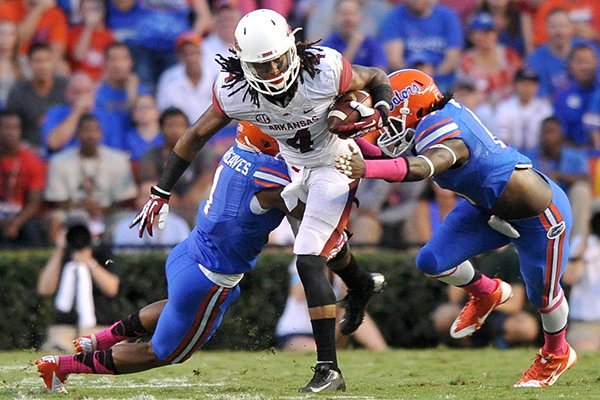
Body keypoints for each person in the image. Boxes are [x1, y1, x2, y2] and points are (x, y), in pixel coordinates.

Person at [128, 8, 392, 393]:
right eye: (261, 67)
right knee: (318, 239)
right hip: (293, 166)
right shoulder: (234, 90)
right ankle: (361, 282)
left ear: (292, 49)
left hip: (335, 162)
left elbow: (378, 78)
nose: (273, 73)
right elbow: (194, 136)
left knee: (308, 256)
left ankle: (328, 369)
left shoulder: (324, 68)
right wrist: (161, 190)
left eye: (279, 62)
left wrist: (381, 106)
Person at [35, 121, 380, 393]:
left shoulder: (236, 153)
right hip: (211, 279)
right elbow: (307, 211)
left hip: (187, 253)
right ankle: (63, 366)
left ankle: (102, 337)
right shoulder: (273, 176)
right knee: (164, 352)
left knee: (175, 308)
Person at [336, 68, 577, 387]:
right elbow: (396, 157)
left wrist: (366, 167)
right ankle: (486, 292)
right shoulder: (428, 122)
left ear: (413, 107)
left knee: (543, 296)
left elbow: (421, 168)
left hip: (540, 215)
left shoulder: (444, 130)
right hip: (489, 208)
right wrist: (346, 142)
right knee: (432, 261)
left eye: (391, 114)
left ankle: (557, 353)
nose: (387, 124)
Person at [276, 255, 388, 352]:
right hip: (296, 333)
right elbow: (297, 295)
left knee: (353, 310)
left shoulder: (340, 263)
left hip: (328, 333)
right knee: (314, 351)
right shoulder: (304, 257)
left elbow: (348, 298)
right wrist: (317, 270)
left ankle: (383, 351)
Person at [37, 221, 120, 351]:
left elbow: (112, 289)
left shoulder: (102, 253)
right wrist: (60, 250)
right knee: (55, 351)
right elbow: (44, 289)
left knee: (112, 351)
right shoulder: (62, 256)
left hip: (98, 326)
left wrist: (89, 262)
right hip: (64, 329)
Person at [5, 42, 67, 150]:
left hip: (63, 148)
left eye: (47, 60)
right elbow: (9, 126)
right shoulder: (18, 93)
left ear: (53, 63)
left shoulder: (66, 87)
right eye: (37, 61)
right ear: (29, 64)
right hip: (29, 148)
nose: (43, 66)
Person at [0, 110, 46, 246]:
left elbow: (34, 202)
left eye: (15, 128)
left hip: (22, 217)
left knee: (32, 228)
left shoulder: (33, 161)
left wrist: (16, 223)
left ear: (21, 131)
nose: (10, 132)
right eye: (5, 127)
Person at [562, 208, 600, 351]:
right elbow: (568, 278)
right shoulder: (581, 245)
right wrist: (584, 244)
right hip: (585, 324)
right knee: (586, 347)